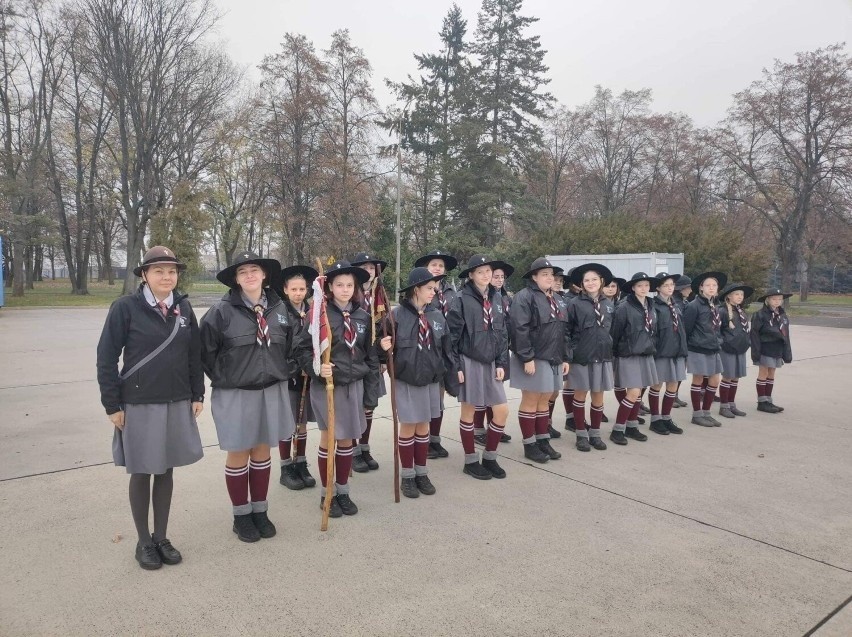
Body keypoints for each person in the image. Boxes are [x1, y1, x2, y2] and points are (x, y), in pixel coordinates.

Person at [97, 246, 205, 570]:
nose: (166, 276)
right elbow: (106, 358)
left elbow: (194, 355)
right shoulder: (125, 308)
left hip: (176, 400)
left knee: (167, 470)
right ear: (144, 274)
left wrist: (197, 394)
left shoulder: (184, 309)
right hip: (139, 403)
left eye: (171, 271)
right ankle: (143, 541)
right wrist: (111, 404)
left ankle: (161, 536)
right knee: (143, 470)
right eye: (159, 270)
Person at [200, 252, 304, 542]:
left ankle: (260, 510)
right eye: (242, 271)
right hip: (236, 391)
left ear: (264, 275)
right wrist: (225, 377)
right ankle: (241, 515)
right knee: (239, 451)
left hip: (271, 389)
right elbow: (204, 352)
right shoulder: (221, 312)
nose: (249, 275)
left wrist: (286, 370)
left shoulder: (280, 309)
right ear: (236, 278)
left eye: (254, 270)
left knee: (261, 451)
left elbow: (297, 344)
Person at [296, 260, 384, 518]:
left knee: (346, 440)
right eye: (339, 285)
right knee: (329, 438)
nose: (345, 289)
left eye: (349, 285)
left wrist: (370, 395)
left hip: (353, 385)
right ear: (330, 288)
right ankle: (327, 493)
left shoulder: (363, 316)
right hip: (328, 387)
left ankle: (343, 490)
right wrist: (316, 369)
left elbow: (370, 357)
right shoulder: (318, 314)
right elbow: (301, 349)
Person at [385, 267, 453, 496]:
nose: (434, 292)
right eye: (429, 288)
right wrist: (382, 348)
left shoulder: (436, 315)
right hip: (406, 379)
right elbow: (379, 349)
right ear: (416, 289)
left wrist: (449, 374)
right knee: (409, 426)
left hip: (430, 380)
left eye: (435, 288)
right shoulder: (396, 316)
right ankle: (407, 475)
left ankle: (421, 472)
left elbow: (445, 348)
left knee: (424, 426)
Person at [447, 255, 511, 479]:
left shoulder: (497, 298)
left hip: (492, 361)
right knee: (469, 410)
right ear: (471, 275)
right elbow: (452, 337)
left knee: (501, 410)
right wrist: (456, 367)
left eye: (489, 271)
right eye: (481, 271)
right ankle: (471, 460)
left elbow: (502, 332)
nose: (486, 275)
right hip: (469, 360)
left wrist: (502, 361)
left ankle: (490, 457)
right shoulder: (461, 299)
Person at [509, 258, 570, 463]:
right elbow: (519, 329)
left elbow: (564, 330)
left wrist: (565, 356)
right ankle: (530, 444)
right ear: (534, 277)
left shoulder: (558, 299)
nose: (549, 278)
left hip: (554, 357)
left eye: (551, 274)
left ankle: (543, 440)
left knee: (545, 400)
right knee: (531, 400)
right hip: (534, 358)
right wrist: (526, 357)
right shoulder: (524, 297)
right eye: (544, 274)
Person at [564, 263, 615, 452]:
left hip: (602, 357)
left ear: (601, 281)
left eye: (594, 279)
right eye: (587, 280)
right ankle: (581, 434)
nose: (591, 283)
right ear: (582, 284)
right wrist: (570, 354)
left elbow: (613, 332)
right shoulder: (574, 304)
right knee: (580, 395)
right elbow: (566, 331)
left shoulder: (608, 304)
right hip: (582, 357)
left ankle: (595, 433)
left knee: (598, 397)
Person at [277, 265, 319, 491]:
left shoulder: (313, 311)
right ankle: (286, 467)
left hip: (308, 376)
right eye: (293, 289)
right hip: (289, 376)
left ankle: (300, 463)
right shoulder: (280, 313)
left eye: (302, 289)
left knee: (302, 424)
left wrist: (311, 367)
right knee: (288, 423)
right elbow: (278, 349)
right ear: (285, 290)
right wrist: (296, 367)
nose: (298, 293)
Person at [414, 249, 458, 459]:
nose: (438, 268)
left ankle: (435, 439)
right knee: (427, 398)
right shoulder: (422, 292)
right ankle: (424, 440)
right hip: (427, 348)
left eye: (441, 266)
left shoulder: (451, 292)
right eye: (434, 265)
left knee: (439, 399)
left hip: (445, 347)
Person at [350, 252, 390, 473]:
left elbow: (385, 328)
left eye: (372, 268)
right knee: (354, 404)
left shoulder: (379, 294)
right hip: (353, 356)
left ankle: (364, 447)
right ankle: (353, 450)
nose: (368, 271)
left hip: (373, 357)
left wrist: (383, 358)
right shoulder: (350, 292)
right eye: (364, 267)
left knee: (369, 403)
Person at [609, 272, 660, 445]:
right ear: (633, 288)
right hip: (628, 354)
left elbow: (654, 330)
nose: (643, 289)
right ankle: (617, 430)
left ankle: (631, 427)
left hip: (645, 353)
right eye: (640, 285)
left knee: (638, 393)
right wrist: (615, 354)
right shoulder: (624, 307)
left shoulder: (650, 305)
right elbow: (615, 332)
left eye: (646, 285)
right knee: (633, 393)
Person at [682, 271, 728, 428]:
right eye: (708, 285)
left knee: (715, 380)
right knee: (698, 380)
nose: (711, 288)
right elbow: (686, 329)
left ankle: (707, 413)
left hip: (713, 347)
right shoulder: (694, 306)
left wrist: (719, 340)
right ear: (701, 288)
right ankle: (697, 414)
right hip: (698, 348)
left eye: (714, 285)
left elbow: (717, 328)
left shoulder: (715, 305)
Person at [476, 261, 514, 444]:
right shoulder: (483, 297)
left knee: (495, 392)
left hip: (501, 347)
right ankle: (478, 429)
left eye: (501, 277)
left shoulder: (505, 298)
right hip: (483, 349)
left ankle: (494, 426)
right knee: (482, 394)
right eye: (495, 276)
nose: (498, 280)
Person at [648, 272, 687, 436]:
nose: (670, 288)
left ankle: (666, 417)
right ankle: (655, 419)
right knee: (657, 385)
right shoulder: (653, 306)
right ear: (658, 288)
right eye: (666, 285)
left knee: (672, 385)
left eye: (672, 285)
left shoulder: (676, 304)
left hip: (677, 351)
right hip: (661, 352)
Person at [750, 288, 793, 413]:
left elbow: (786, 334)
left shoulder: (782, 315)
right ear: (767, 300)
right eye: (774, 299)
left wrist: (787, 352)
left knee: (772, 373)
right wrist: (756, 352)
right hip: (765, 348)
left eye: (779, 299)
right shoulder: (760, 315)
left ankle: (769, 400)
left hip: (777, 348)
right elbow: (754, 334)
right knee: (764, 372)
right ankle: (762, 401)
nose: (777, 301)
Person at [717, 283, 754, 418]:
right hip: (728, 349)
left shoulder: (741, 311)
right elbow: (717, 331)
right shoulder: (722, 311)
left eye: (741, 295)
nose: (740, 297)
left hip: (740, 348)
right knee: (727, 377)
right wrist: (723, 343)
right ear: (729, 296)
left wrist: (747, 342)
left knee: (736, 377)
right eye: (737, 294)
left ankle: (732, 404)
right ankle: (724, 406)